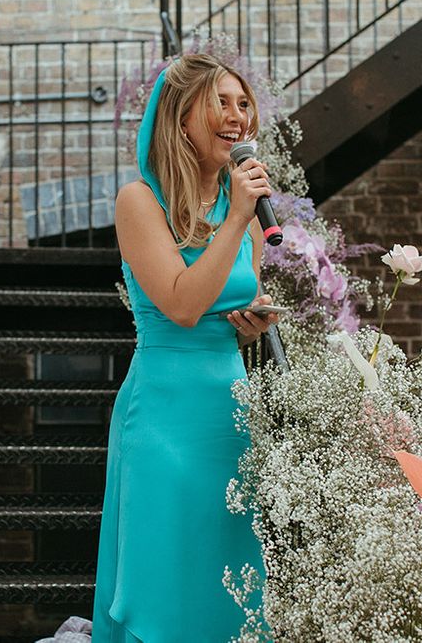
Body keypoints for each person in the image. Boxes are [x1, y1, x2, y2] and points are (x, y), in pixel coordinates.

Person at [92, 54, 279, 642]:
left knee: (232, 582)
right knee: (167, 580)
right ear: (180, 118)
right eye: (220, 103)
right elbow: (180, 302)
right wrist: (238, 215)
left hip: (230, 409)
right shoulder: (139, 202)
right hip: (165, 413)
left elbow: (231, 302)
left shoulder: (240, 211)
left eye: (243, 104)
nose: (236, 116)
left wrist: (250, 325)